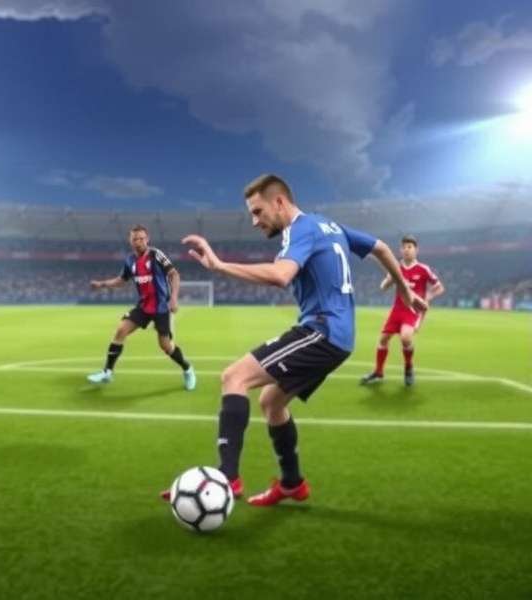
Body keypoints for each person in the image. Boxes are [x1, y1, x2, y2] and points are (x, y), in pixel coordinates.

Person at [162, 174, 426, 506]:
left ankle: (226, 479)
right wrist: (405, 290)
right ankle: (292, 484)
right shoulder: (328, 225)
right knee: (272, 402)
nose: (255, 221)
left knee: (234, 377)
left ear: (279, 202)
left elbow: (280, 275)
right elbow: (382, 248)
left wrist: (219, 265)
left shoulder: (299, 229)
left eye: (258, 212)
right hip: (338, 337)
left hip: (322, 331)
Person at [87, 225, 196, 391]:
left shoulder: (156, 255)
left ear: (147, 239)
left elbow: (174, 274)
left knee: (166, 346)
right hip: (143, 307)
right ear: (130, 241)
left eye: (141, 238)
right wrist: (101, 284)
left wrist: (173, 298)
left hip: (161, 308)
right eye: (134, 239)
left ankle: (187, 369)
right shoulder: (130, 260)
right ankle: (107, 372)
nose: (138, 242)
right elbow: (121, 280)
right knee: (121, 330)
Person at [361, 235, 445, 386]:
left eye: (410, 247)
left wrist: (428, 298)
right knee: (383, 340)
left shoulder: (423, 269)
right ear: (400, 250)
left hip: (412, 310)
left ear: (416, 250)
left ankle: (408, 368)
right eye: (404, 247)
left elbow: (439, 287)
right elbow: (383, 287)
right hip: (397, 309)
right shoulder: (396, 268)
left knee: (406, 338)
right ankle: (378, 372)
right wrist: (389, 280)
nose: (406, 250)